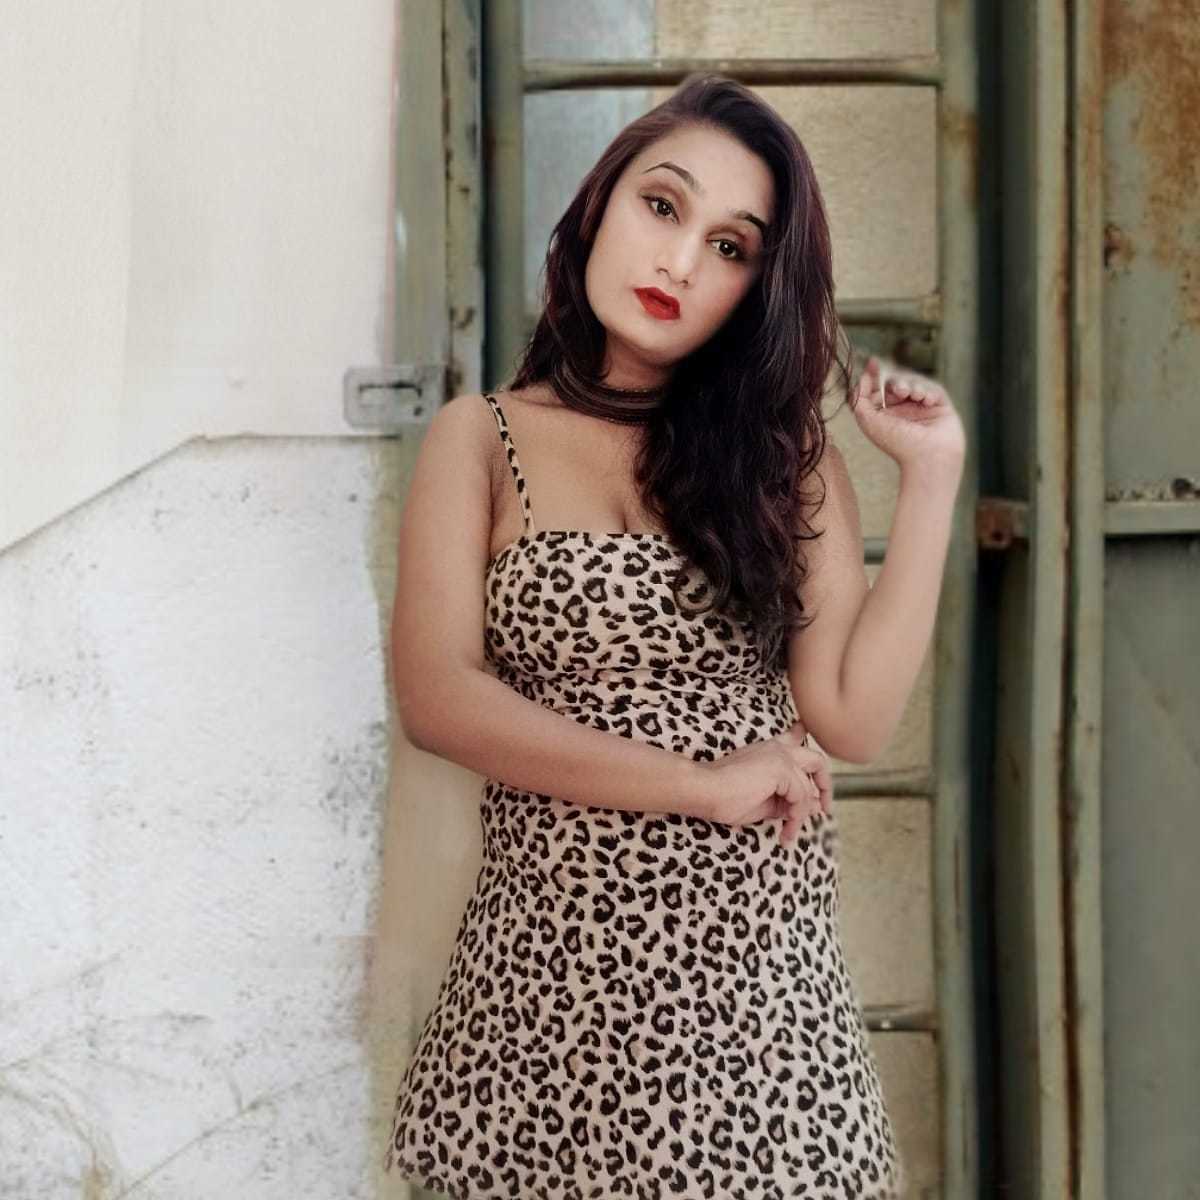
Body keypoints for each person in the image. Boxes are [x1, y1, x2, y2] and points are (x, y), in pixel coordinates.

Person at [383, 72, 964, 1200]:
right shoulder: (480, 438)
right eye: (663, 205)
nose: (682, 262)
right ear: (600, 205)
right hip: (544, 999)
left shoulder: (785, 464)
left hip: (759, 1010)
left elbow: (852, 716)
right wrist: (696, 786)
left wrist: (933, 478)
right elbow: (437, 696)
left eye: (731, 247)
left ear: (755, 289)